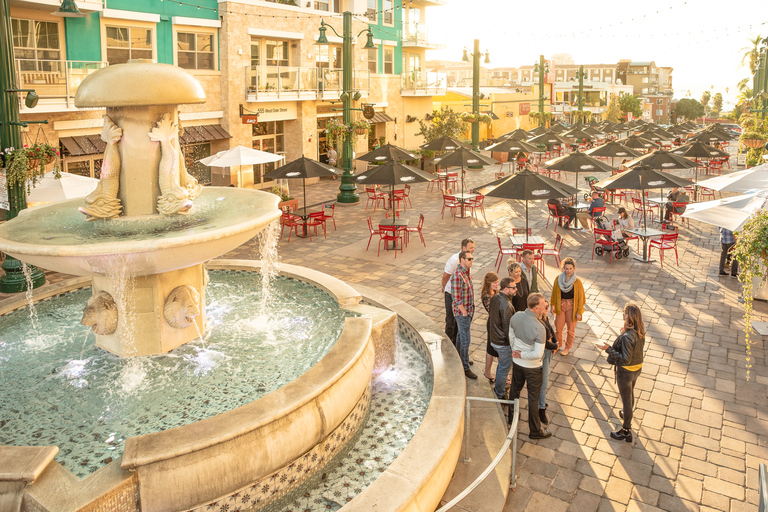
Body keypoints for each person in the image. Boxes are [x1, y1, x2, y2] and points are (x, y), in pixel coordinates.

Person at [597, 303, 646, 443]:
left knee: (626, 400)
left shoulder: (627, 337)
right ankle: (626, 414)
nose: (623, 314)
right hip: (637, 369)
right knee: (630, 395)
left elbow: (624, 358)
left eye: (624, 312)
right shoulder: (639, 330)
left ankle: (626, 430)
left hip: (625, 372)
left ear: (627, 316)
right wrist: (623, 334)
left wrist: (608, 348)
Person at [509, 292, 551, 439]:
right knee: (533, 398)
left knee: (515, 391)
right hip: (532, 368)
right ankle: (535, 430)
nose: (545, 306)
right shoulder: (539, 327)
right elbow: (538, 354)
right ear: (535, 308)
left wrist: (515, 350)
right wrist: (522, 354)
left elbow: (511, 334)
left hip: (517, 364)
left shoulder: (516, 316)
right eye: (542, 305)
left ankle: (510, 420)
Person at [442, 238, 476, 350]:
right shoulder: (454, 260)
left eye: (473, 247)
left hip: (462, 295)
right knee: (451, 321)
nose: (473, 249)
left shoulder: (467, 259)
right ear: (463, 248)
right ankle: (448, 349)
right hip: (451, 293)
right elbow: (446, 276)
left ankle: (458, 349)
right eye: (471, 247)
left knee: (459, 324)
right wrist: (444, 287)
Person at [550, 257, 586, 356]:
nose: (568, 271)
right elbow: (554, 293)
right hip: (560, 305)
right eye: (566, 268)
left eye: (570, 268)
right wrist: (552, 305)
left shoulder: (577, 282)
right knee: (558, 327)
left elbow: (581, 298)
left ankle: (567, 347)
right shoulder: (558, 279)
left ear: (573, 268)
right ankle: (558, 344)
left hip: (572, 306)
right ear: (563, 268)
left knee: (570, 330)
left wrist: (579, 312)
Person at [489, 277, 517, 400]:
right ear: (506, 289)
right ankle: (499, 394)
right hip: (502, 342)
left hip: (494, 338)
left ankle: (499, 388)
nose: (516, 290)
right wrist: (514, 346)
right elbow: (508, 329)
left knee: (501, 367)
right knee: (503, 369)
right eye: (514, 288)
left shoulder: (495, 297)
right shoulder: (506, 305)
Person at [451, 250, 477, 379]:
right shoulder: (457, 275)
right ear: (462, 259)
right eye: (469, 259)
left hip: (467, 311)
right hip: (462, 313)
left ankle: (460, 359)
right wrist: (464, 312)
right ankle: (465, 367)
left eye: (472, 259)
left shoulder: (466, 273)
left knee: (461, 337)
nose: (471, 261)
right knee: (466, 340)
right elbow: (456, 298)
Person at [537, 298, 559, 425]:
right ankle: (541, 409)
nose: (547, 309)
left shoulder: (544, 318)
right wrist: (554, 346)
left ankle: (541, 401)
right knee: (544, 381)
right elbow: (544, 342)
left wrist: (555, 341)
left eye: (547, 306)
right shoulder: (537, 321)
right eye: (545, 307)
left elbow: (550, 328)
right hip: (543, 353)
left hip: (548, 352)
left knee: (544, 381)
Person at [481, 272, 500, 382]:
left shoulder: (494, 292)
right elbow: (492, 311)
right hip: (493, 323)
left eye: (497, 282)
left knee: (491, 348)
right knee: (494, 348)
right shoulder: (487, 296)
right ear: (489, 283)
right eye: (495, 282)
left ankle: (487, 371)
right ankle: (489, 371)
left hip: (495, 322)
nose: (497, 284)